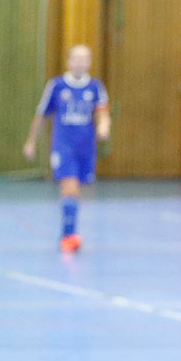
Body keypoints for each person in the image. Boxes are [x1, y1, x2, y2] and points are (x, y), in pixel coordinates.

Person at [23, 44, 110, 252]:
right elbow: (42, 114)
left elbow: (102, 112)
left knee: (77, 189)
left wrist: (104, 126)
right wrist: (31, 141)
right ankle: (68, 235)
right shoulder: (57, 86)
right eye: (76, 59)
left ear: (89, 62)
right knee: (69, 186)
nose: (80, 63)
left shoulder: (95, 87)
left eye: (85, 59)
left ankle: (69, 231)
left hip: (86, 146)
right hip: (63, 145)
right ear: (69, 62)